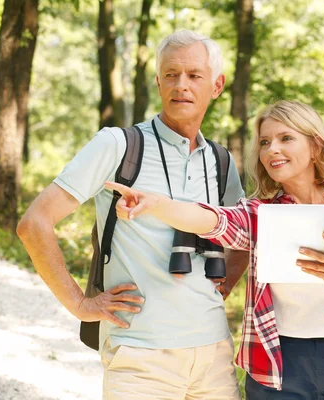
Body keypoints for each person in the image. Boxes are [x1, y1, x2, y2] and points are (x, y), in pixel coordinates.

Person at [106, 100, 324, 399]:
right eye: (265, 142)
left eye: (285, 138)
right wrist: (159, 205)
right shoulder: (260, 213)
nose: (272, 149)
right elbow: (215, 221)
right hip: (277, 370)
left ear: (316, 147)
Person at [16, 30, 248, 400]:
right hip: (139, 356)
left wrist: (227, 284)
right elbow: (34, 223)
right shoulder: (118, 145)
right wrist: (79, 304)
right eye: (170, 74)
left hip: (214, 355)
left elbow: (244, 236)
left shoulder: (221, 162)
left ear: (216, 85)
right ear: (158, 82)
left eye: (193, 75)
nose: (180, 85)